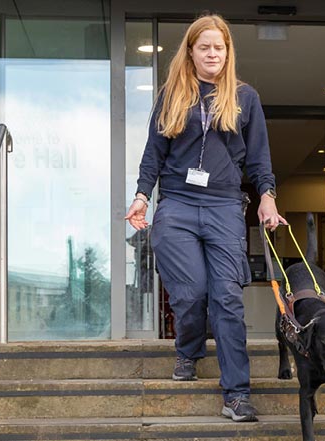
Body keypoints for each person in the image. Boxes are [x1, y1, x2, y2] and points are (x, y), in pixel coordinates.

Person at [124, 14, 285, 423]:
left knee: (227, 299)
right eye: (205, 47)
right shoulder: (172, 95)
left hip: (224, 206)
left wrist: (267, 197)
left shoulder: (245, 97)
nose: (213, 53)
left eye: (219, 47)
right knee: (191, 293)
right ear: (191, 52)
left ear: (228, 52)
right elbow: (154, 152)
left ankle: (236, 394)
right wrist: (142, 195)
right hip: (177, 204)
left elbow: (259, 156)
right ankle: (189, 350)